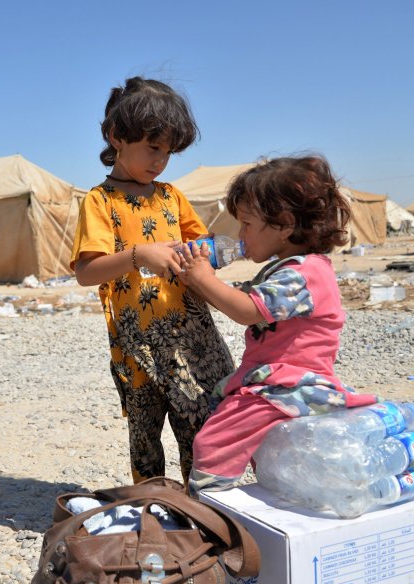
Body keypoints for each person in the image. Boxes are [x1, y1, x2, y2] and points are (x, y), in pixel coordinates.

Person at [179, 155, 379, 496]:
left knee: (215, 441)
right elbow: (243, 302)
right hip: (276, 382)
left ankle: (206, 515)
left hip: (289, 385)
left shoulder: (303, 274)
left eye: (246, 224)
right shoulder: (291, 268)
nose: (240, 234)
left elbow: (245, 310)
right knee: (271, 456)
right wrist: (199, 280)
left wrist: (203, 277)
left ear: (285, 225)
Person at [71, 76, 234, 485]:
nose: (160, 161)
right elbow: (86, 272)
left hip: (191, 335)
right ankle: (153, 516)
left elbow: (203, 248)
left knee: (202, 429)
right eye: (152, 147)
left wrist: (207, 256)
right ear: (116, 136)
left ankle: (204, 515)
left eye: (167, 151)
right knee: (146, 439)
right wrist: (138, 255)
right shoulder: (100, 202)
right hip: (138, 344)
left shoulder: (171, 196)